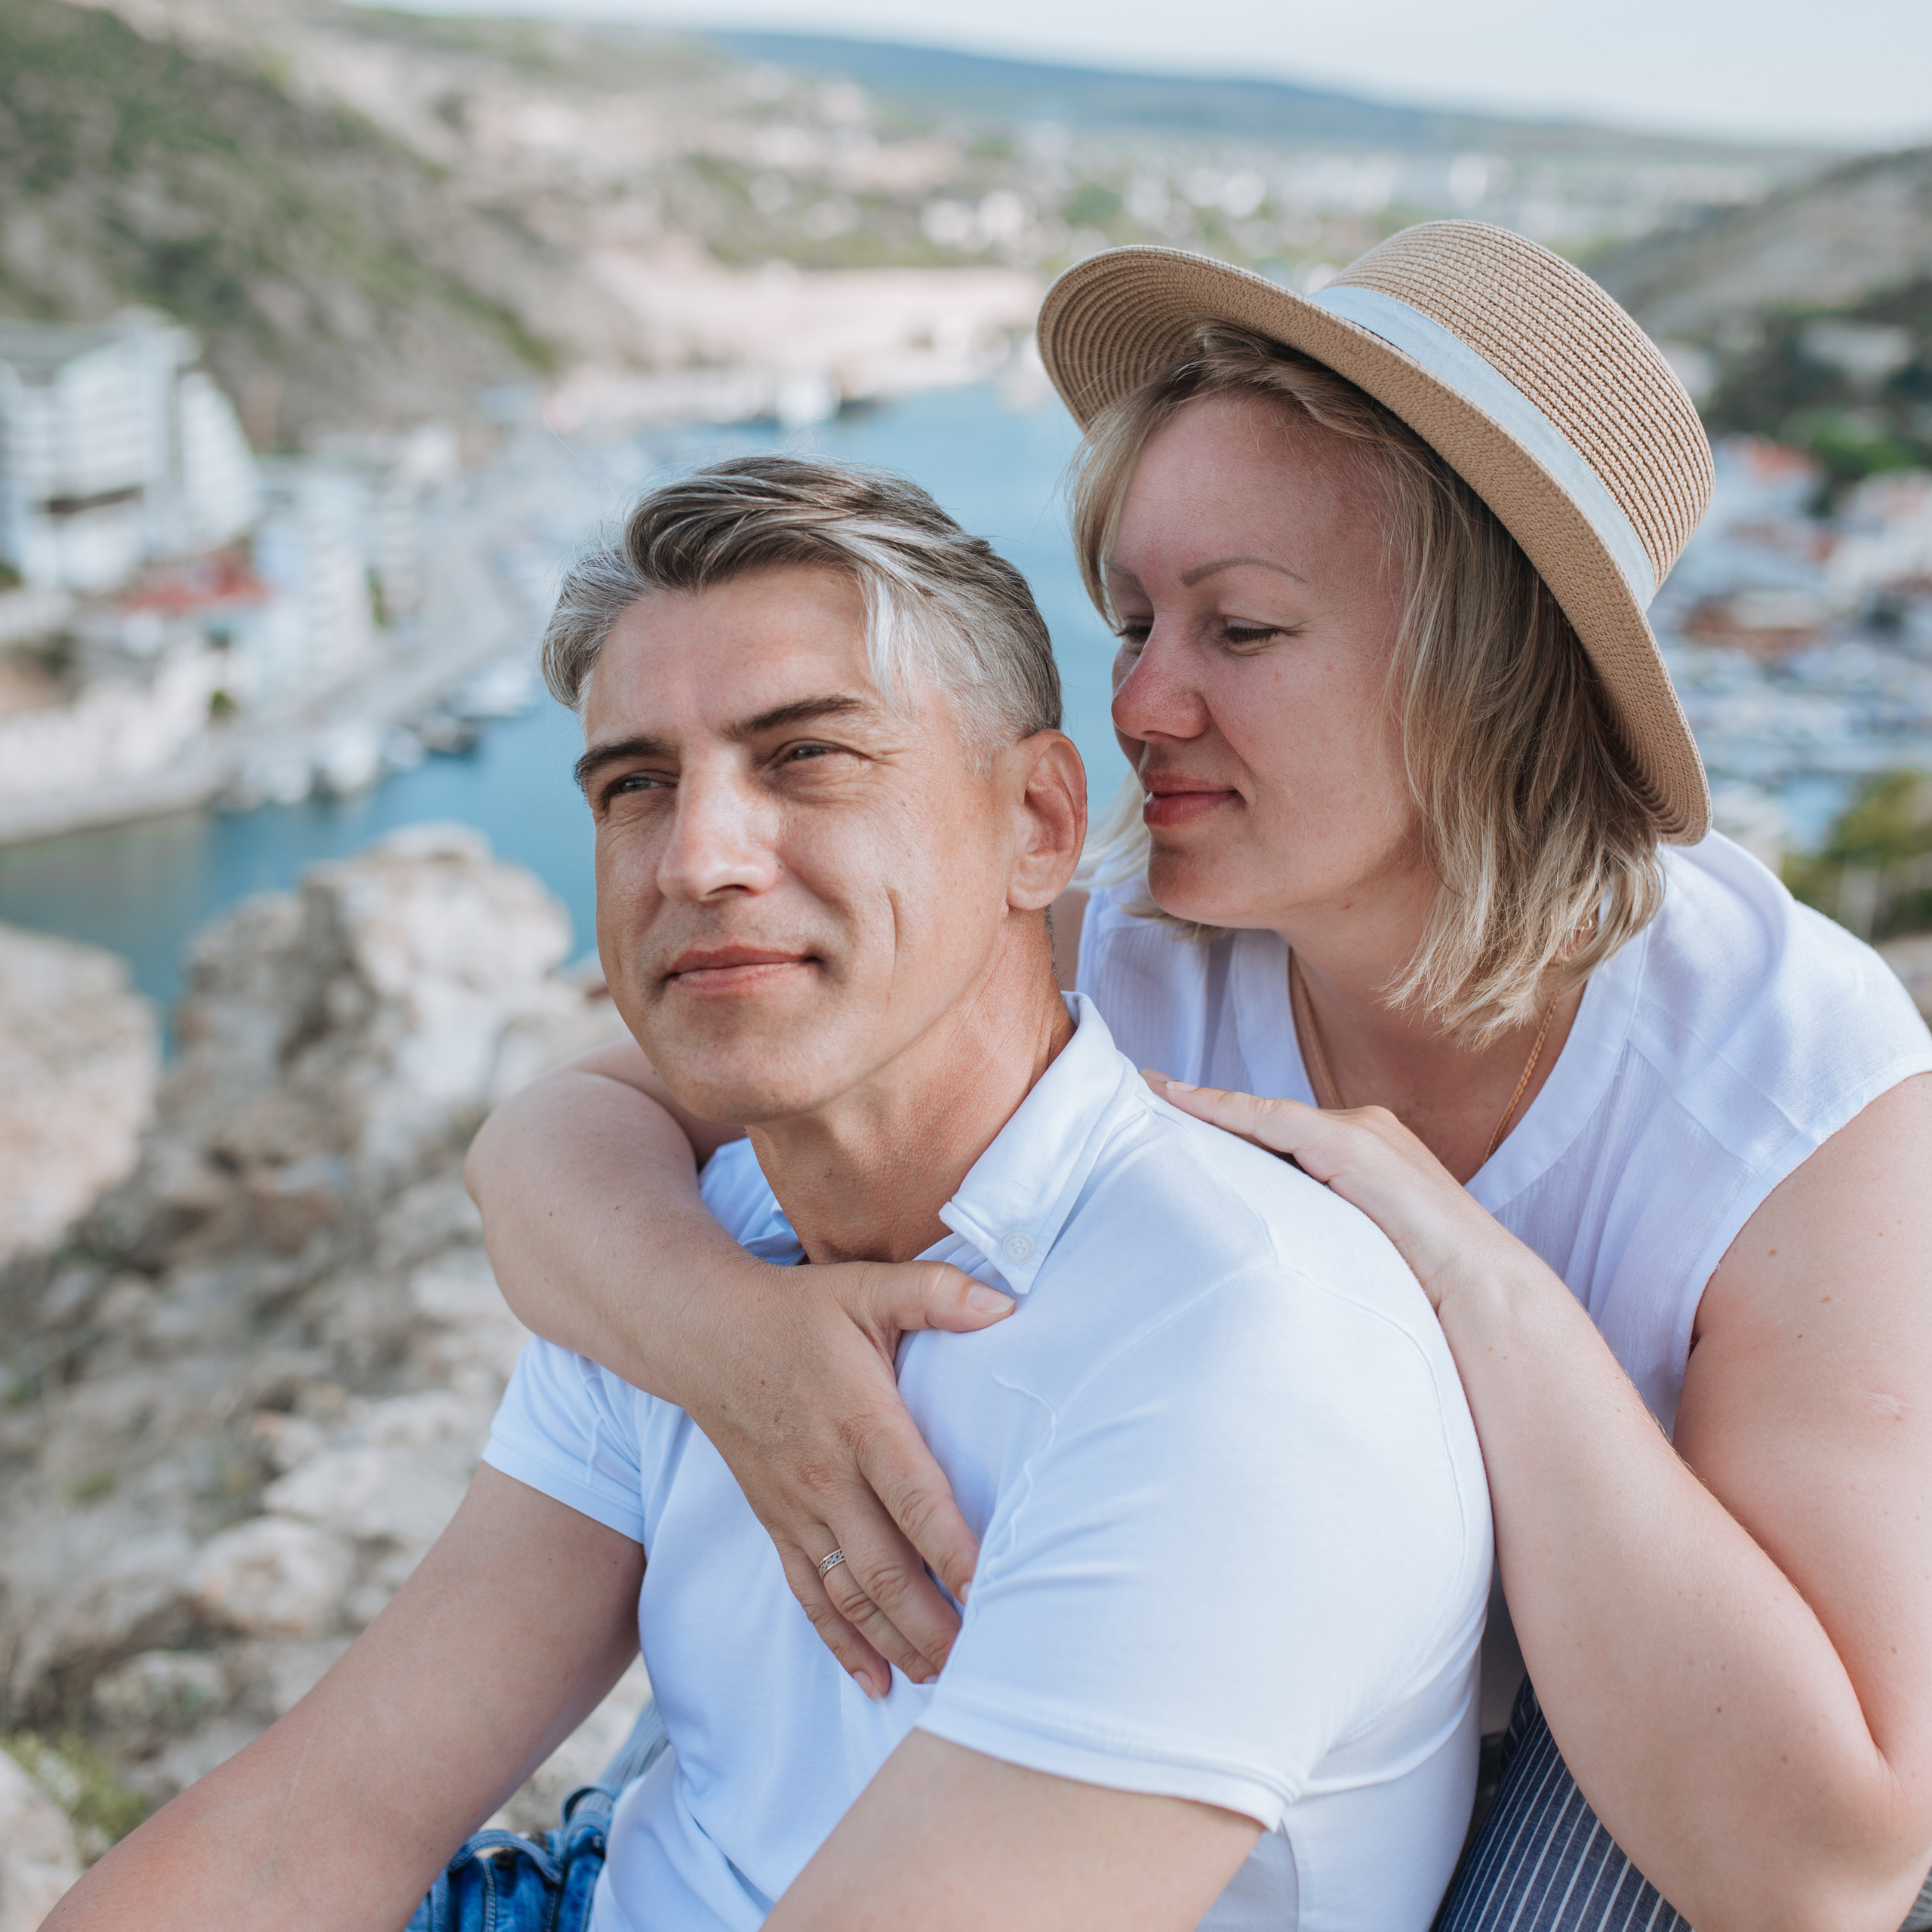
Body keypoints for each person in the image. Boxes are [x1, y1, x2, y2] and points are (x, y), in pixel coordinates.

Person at [466, 226, 1932, 1932]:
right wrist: (732, 1348)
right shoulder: (1134, 950)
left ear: (1487, 669)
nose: (1139, 701)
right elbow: (554, 1140)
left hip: (1616, 1766)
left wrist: (1470, 1281)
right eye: (1133, 617)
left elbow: (1827, 1867)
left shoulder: (1784, 1088)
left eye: (1237, 628)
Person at [51, 457, 1491, 1932]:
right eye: (635, 784)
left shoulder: (1232, 1350)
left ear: (1039, 825)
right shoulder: (698, 1254)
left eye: (804, 757)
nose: (696, 857)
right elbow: (323, 1816)